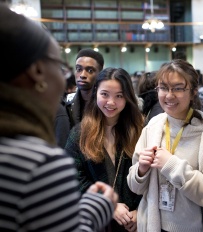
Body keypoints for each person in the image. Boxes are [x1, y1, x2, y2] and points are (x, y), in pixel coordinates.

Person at [0, 4, 118, 231]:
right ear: (38, 72)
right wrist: (98, 208)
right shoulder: (37, 165)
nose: (75, 76)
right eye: (62, 66)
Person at [127, 59, 203, 232]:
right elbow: (135, 187)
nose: (169, 95)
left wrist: (172, 166)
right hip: (153, 226)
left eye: (177, 88)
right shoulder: (153, 127)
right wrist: (141, 170)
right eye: (163, 88)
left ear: (193, 92)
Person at [65, 67, 144, 232]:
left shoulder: (140, 130)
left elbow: (152, 179)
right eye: (104, 94)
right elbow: (72, 178)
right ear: (96, 93)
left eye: (119, 96)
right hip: (95, 222)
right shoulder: (80, 133)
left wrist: (142, 211)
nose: (111, 102)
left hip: (134, 223)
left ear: (128, 97)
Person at [66, 48, 104, 127]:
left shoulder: (107, 104)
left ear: (100, 74)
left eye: (90, 70)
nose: (82, 75)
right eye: (79, 69)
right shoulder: (67, 105)